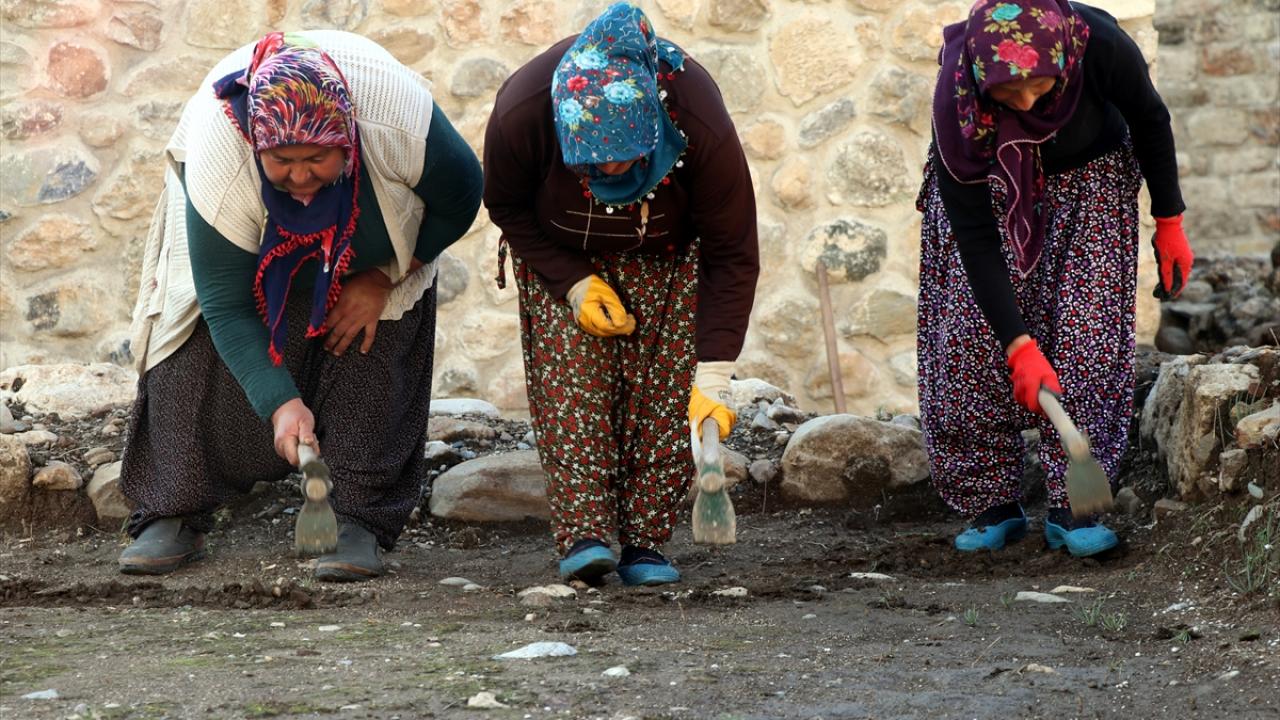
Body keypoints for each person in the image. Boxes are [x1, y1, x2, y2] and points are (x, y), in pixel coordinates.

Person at [120, 31, 483, 581]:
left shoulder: (399, 124)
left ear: (347, 142)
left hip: (375, 225)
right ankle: (174, 506)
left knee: (373, 333)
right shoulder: (223, 158)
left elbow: (460, 201)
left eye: (318, 157)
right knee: (193, 332)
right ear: (257, 147)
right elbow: (225, 301)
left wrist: (385, 275)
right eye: (282, 160)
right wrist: (281, 404)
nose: (301, 176)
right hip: (234, 220)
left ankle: (357, 515)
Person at [483, 2, 759, 586]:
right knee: (573, 390)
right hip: (564, 258)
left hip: (668, 259)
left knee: (664, 397)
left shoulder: (697, 117)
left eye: (625, 155)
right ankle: (585, 536)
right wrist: (572, 281)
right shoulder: (523, 109)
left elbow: (731, 252)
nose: (609, 166)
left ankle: (646, 542)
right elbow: (505, 205)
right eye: (593, 160)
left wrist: (712, 375)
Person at [916, 0, 1192, 556]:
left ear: (1062, 61)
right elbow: (974, 236)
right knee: (969, 335)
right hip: (989, 183)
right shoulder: (957, 102)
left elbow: (1150, 118)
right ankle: (990, 500)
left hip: (1092, 180)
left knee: (1087, 336)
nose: (1024, 103)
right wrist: (1018, 345)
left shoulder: (1098, 44)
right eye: (1007, 93)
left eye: (1039, 88)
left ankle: (1075, 502)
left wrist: (1169, 221)